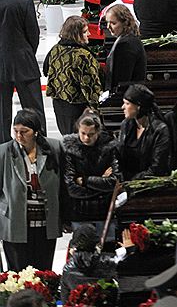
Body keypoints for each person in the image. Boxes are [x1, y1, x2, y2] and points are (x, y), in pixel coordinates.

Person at [0, 109, 64, 271]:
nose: (19, 136)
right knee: (18, 273)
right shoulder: (4, 152)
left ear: (36, 132)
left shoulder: (54, 148)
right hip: (15, 223)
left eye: (24, 132)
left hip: (45, 222)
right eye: (16, 131)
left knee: (44, 271)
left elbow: (63, 185)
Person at [0, 0, 45, 144]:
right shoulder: (24, 1)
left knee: (1, 114)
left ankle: (3, 153)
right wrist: (27, 53)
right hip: (23, 61)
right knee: (34, 109)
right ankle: (41, 147)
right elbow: (33, 34)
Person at [63, 110, 121, 234]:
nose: (86, 138)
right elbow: (70, 187)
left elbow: (114, 182)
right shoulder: (70, 149)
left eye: (91, 134)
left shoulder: (110, 148)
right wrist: (100, 181)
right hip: (79, 212)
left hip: (104, 212)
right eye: (83, 133)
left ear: (98, 132)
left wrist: (84, 180)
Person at [43, 15, 103, 136]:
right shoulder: (82, 55)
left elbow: (45, 70)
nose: (89, 34)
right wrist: (97, 109)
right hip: (78, 109)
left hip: (59, 104)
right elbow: (90, 86)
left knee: (67, 139)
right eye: (85, 32)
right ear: (76, 35)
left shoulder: (55, 49)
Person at [61, 224, 134, 304]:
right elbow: (128, 275)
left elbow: (65, 300)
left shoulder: (67, 269)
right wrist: (129, 249)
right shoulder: (107, 262)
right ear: (96, 243)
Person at [119, 84, 170, 180]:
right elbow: (119, 155)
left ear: (138, 106)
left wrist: (131, 181)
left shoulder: (159, 129)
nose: (122, 107)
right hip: (126, 181)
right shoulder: (126, 125)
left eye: (127, 103)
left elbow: (157, 169)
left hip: (148, 183)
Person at [105, 4, 147, 91]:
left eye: (113, 23)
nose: (108, 27)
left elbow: (122, 79)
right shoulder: (129, 39)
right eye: (107, 22)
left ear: (125, 23)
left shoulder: (126, 44)